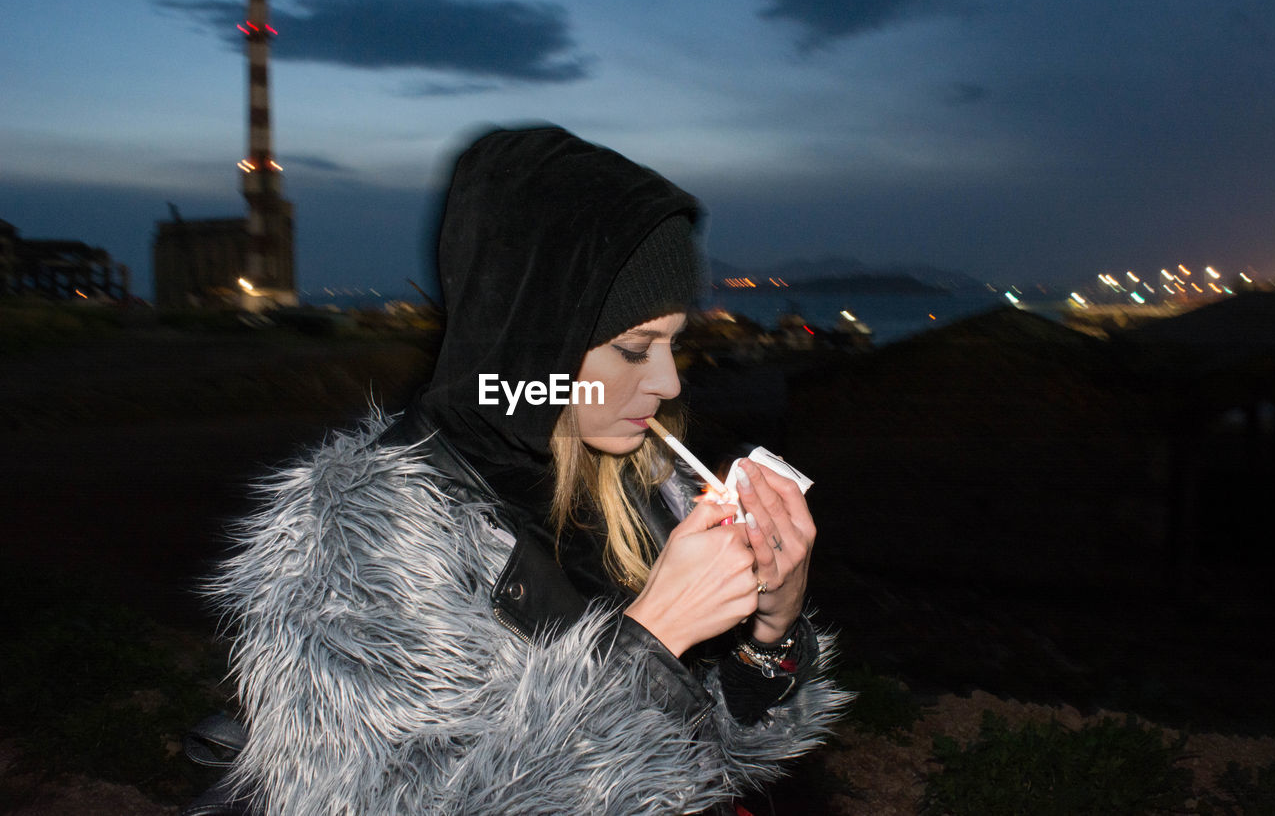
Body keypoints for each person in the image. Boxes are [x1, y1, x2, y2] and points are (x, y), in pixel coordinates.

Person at [210, 126, 851, 815]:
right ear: (531, 346)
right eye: (635, 348)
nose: (667, 381)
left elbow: (715, 758)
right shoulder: (358, 542)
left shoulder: (643, 487)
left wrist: (772, 629)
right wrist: (652, 642)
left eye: (673, 343)